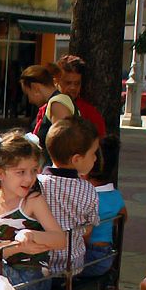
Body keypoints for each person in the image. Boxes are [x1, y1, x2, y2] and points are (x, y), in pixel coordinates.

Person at [0, 131, 66, 290]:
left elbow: (60, 239)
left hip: (33, 281)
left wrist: (32, 235)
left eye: (34, 171)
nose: (29, 178)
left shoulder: (32, 200)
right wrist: (17, 247)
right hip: (5, 273)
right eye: (20, 172)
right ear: (0, 173)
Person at [37, 116, 100, 276]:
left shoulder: (36, 184)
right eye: (93, 153)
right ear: (76, 159)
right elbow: (89, 228)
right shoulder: (88, 190)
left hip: (40, 264)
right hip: (72, 264)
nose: (95, 158)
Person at [81, 136, 126, 278]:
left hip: (90, 257)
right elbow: (123, 217)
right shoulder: (116, 195)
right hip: (107, 255)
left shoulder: (87, 198)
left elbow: (85, 235)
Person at [21, 64, 75, 143]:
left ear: (35, 88)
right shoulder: (53, 103)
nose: (30, 100)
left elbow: (64, 141)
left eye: (27, 94)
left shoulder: (57, 103)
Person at [56, 54, 105, 139]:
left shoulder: (90, 114)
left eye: (77, 83)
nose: (73, 88)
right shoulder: (46, 106)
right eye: (68, 83)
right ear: (56, 81)